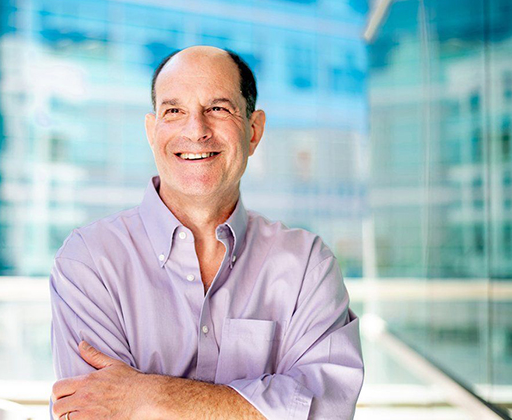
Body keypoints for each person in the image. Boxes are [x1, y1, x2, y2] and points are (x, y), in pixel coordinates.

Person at [49, 45, 364, 420]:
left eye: (217, 108)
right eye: (174, 111)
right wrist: (269, 405)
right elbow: (90, 414)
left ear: (254, 129)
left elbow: (325, 412)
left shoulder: (306, 267)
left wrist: (149, 396)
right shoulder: (90, 261)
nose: (196, 130)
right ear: (152, 132)